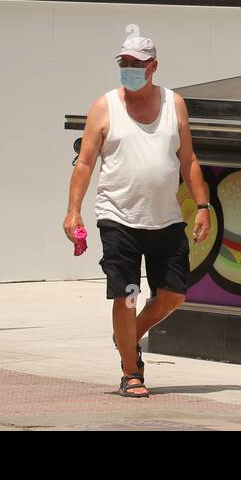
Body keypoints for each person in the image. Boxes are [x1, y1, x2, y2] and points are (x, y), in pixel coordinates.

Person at [64, 36, 211, 398]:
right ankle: (132, 372)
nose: (130, 69)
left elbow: (188, 159)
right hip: (118, 217)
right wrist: (73, 211)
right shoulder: (105, 106)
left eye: (137, 63)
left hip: (165, 218)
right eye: (124, 63)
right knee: (127, 295)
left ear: (153, 66)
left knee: (174, 295)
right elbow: (84, 162)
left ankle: (127, 334)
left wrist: (203, 206)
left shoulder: (173, 103)